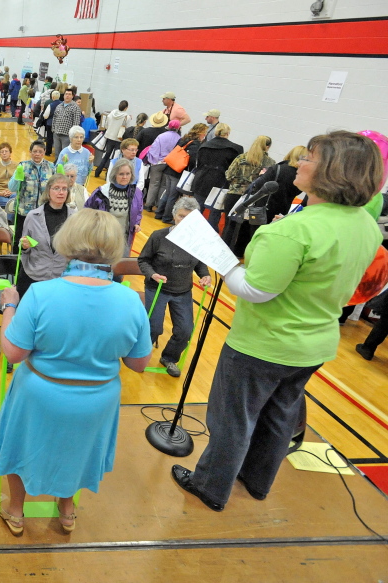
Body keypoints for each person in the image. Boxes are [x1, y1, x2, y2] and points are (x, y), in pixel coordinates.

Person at [171, 131, 383, 511]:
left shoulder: (293, 230)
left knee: (233, 418)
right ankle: (256, 480)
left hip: (263, 344)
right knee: (278, 415)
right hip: (314, 343)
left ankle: (210, 486)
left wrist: (223, 263)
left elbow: (255, 289)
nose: (298, 162)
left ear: (332, 172)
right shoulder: (365, 225)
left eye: (309, 158)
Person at [0, 209, 152, 536]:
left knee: (21, 448)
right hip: (97, 398)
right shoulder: (131, 301)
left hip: (41, 392)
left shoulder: (42, 293)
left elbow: (13, 353)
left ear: (69, 239)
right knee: (76, 450)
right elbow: (139, 363)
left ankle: (17, 512)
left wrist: (10, 306)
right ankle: (66, 510)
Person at [137, 196, 211, 377]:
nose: (184, 221)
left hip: (183, 291)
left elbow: (200, 263)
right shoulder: (159, 236)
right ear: (174, 215)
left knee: (185, 330)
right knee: (153, 328)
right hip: (157, 288)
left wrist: (205, 275)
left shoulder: (197, 240)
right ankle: (139, 356)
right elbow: (143, 260)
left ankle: (169, 358)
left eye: (190, 218)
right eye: (181, 216)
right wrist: (152, 274)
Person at [16, 173, 78, 297]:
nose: (61, 192)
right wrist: (24, 246)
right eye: (56, 188)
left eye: (64, 189)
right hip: (34, 276)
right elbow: (22, 248)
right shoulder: (33, 216)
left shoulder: (75, 218)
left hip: (62, 278)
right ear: (48, 191)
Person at [215, 135, 275, 233]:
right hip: (252, 198)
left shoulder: (241, 157)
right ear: (267, 147)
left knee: (229, 225)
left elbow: (229, 175)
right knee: (244, 229)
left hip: (234, 194)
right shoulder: (270, 163)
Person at [85, 158, 143, 250]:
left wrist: (137, 223)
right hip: (102, 241)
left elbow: (138, 211)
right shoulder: (101, 192)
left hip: (124, 240)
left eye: (128, 174)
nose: (125, 177)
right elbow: (87, 211)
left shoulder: (136, 192)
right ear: (114, 174)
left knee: (121, 263)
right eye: (121, 174)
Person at [156, 124, 208, 222]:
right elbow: (192, 160)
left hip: (170, 167)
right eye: (204, 133)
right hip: (178, 171)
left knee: (168, 193)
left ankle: (159, 212)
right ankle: (166, 217)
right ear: (200, 133)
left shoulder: (184, 139)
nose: (205, 135)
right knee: (173, 196)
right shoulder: (195, 144)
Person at [8, 140, 58, 242]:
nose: (37, 154)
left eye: (40, 151)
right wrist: (18, 176)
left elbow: (55, 189)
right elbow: (12, 188)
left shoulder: (51, 167)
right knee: (20, 242)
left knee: (40, 242)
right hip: (24, 212)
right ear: (30, 152)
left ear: (44, 152)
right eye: (34, 151)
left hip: (43, 213)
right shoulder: (23, 166)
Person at [189, 123, 242, 215]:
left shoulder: (204, 145)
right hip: (221, 182)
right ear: (228, 133)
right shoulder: (236, 149)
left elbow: (199, 164)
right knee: (214, 213)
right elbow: (235, 170)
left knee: (196, 210)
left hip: (201, 179)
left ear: (215, 132)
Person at [143, 120, 183, 210]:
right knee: (164, 185)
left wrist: (154, 160)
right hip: (169, 164)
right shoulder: (179, 138)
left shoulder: (162, 136)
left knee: (154, 183)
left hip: (157, 163)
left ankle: (148, 204)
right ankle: (159, 205)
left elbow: (154, 148)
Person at [95, 100, 131, 178]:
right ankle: (108, 174)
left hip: (109, 137)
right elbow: (126, 129)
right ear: (126, 108)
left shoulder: (111, 114)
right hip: (119, 139)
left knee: (106, 155)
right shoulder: (127, 117)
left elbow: (106, 125)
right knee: (115, 158)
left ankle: (97, 172)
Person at [50, 86, 81, 156]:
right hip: (56, 134)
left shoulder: (75, 107)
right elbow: (54, 118)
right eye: (66, 94)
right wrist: (54, 130)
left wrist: (73, 135)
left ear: (72, 96)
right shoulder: (59, 106)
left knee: (65, 155)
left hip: (67, 136)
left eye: (69, 94)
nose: (67, 96)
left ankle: (65, 167)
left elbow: (76, 123)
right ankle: (57, 166)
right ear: (63, 95)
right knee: (57, 154)